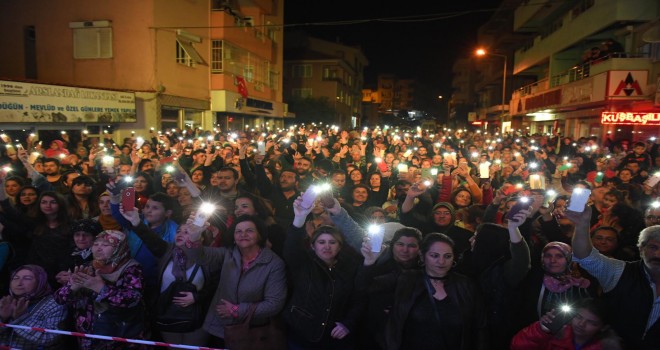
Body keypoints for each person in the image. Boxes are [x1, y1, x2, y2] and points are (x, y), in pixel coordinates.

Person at [119, 209, 221, 347]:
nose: (180, 234)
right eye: (179, 231)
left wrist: (197, 297)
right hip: (168, 314)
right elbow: (149, 237)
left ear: (200, 237)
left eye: (187, 232)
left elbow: (216, 286)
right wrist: (136, 221)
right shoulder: (167, 250)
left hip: (198, 316)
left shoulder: (209, 257)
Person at [375, 233, 487, 350]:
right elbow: (366, 288)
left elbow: (480, 327)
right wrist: (369, 262)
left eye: (447, 256)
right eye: (434, 256)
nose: (441, 261)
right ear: (423, 256)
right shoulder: (407, 279)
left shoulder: (466, 285)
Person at [570, 205, 660, 349]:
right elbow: (585, 256)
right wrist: (582, 225)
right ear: (641, 249)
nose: (658, 255)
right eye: (653, 247)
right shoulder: (620, 271)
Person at [283, 197, 363, 349]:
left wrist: (348, 323)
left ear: (339, 247)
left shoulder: (349, 268)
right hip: (301, 334)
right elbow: (291, 247)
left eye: (332, 242)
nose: (327, 247)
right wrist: (299, 218)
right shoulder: (303, 264)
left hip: (332, 337)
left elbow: (358, 298)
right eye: (321, 242)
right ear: (313, 246)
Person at [199, 215, 287, 347]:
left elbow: (274, 304)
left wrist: (236, 310)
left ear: (260, 235)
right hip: (221, 326)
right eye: (238, 231)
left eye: (249, 231)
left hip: (252, 331)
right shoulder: (227, 254)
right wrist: (194, 236)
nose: (243, 234)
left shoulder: (273, 263)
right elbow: (197, 255)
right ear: (233, 237)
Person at [54, 230, 145, 350]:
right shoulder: (87, 266)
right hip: (88, 335)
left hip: (119, 336)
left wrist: (102, 289)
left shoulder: (131, 269)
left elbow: (133, 299)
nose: (98, 248)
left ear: (120, 248)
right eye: (96, 244)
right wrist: (72, 288)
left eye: (106, 245)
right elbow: (59, 299)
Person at [511, 298, 622, 350]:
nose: (581, 324)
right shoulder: (554, 335)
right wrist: (540, 330)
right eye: (578, 317)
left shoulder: (607, 347)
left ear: (603, 327)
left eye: (591, 323)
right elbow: (517, 346)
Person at [0, 265, 67, 349]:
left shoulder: (55, 303)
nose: (19, 283)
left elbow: (49, 338)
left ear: (40, 282)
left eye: (27, 278)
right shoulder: (6, 302)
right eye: (15, 278)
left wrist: (21, 318)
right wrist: (2, 318)